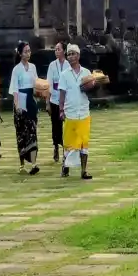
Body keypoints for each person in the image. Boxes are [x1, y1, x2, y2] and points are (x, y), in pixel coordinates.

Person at [58, 42, 97, 180]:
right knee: (69, 142)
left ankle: (84, 170)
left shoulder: (86, 73)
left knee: (83, 143)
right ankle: (65, 167)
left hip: (83, 111)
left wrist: (92, 85)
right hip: (70, 111)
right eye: (69, 54)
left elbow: (92, 91)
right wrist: (61, 109)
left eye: (73, 54)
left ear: (78, 55)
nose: (71, 56)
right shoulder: (64, 75)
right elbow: (62, 94)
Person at [9, 41, 40, 173]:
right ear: (20, 54)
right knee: (22, 133)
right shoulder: (16, 69)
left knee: (32, 131)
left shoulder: (33, 67)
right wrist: (17, 106)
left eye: (29, 51)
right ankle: (22, 164)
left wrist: (39, 94)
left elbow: (36, 83)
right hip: (21, 98)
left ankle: (34, 164)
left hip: (31, 99)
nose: (28, 53)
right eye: (25, 51)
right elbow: (15, 89)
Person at [46, 41, 67, 164]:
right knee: (55, 125)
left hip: (66, 100)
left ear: (63, 51)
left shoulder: (69, 65)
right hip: (54, 98)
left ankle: (66, 147)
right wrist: (47, 102)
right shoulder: (52, 65)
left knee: (65, 125)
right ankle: (56, 147)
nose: (56, 51)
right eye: (55, 49)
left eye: (59, 49)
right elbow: (48, 84)